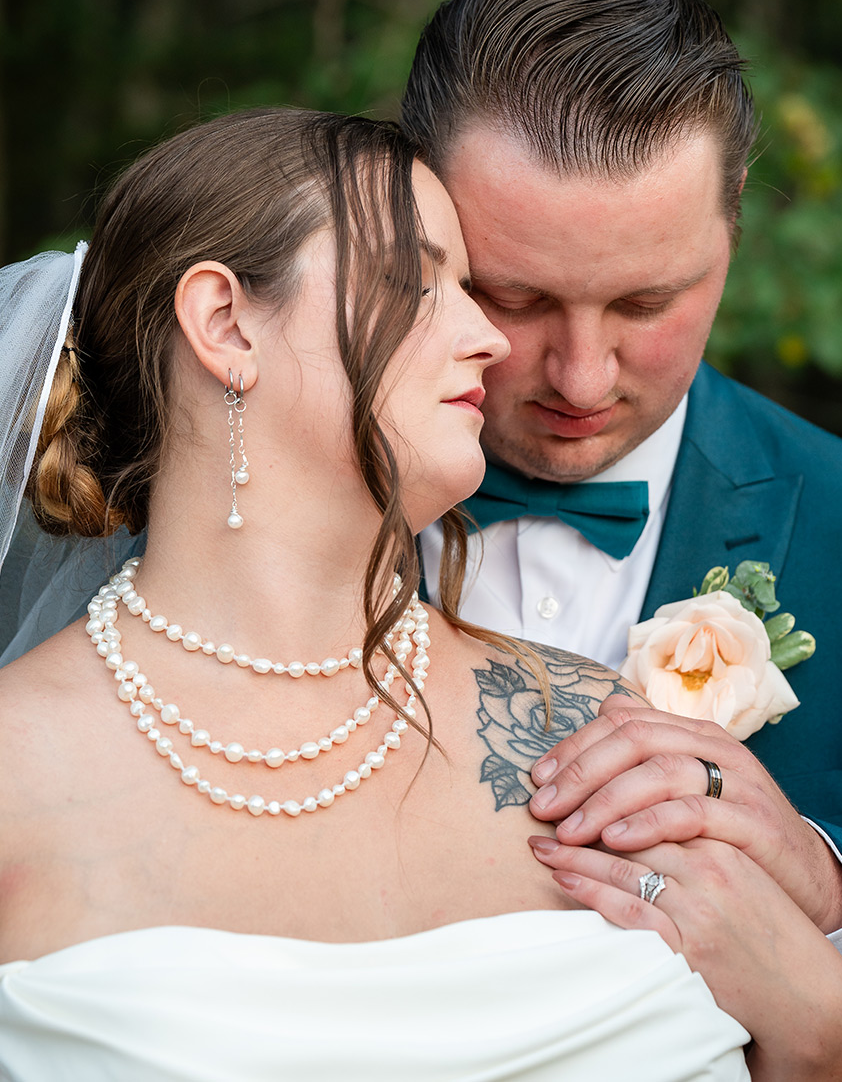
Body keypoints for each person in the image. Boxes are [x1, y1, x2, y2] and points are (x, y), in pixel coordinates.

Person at [0, 105, 790, 1080]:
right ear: (223, 322)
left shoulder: (590, 734)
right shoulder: (15, 779)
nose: (490, 338)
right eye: (422, 280)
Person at [402, 0, 842, 978]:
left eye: (645, 303)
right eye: (511, 298)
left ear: (733, 216)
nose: (578, 374)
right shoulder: (258, 504)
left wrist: (823, 882)